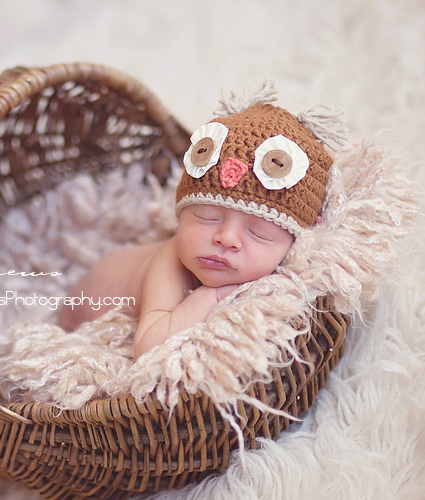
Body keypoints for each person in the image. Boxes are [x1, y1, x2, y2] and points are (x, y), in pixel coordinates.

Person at [58, 94, 339, 359]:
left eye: (258, 233)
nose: (226, 238)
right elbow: (149, 347)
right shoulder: (170, 265)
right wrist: (213, 295)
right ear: (180, 217)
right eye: (207, 218)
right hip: (75, 317)